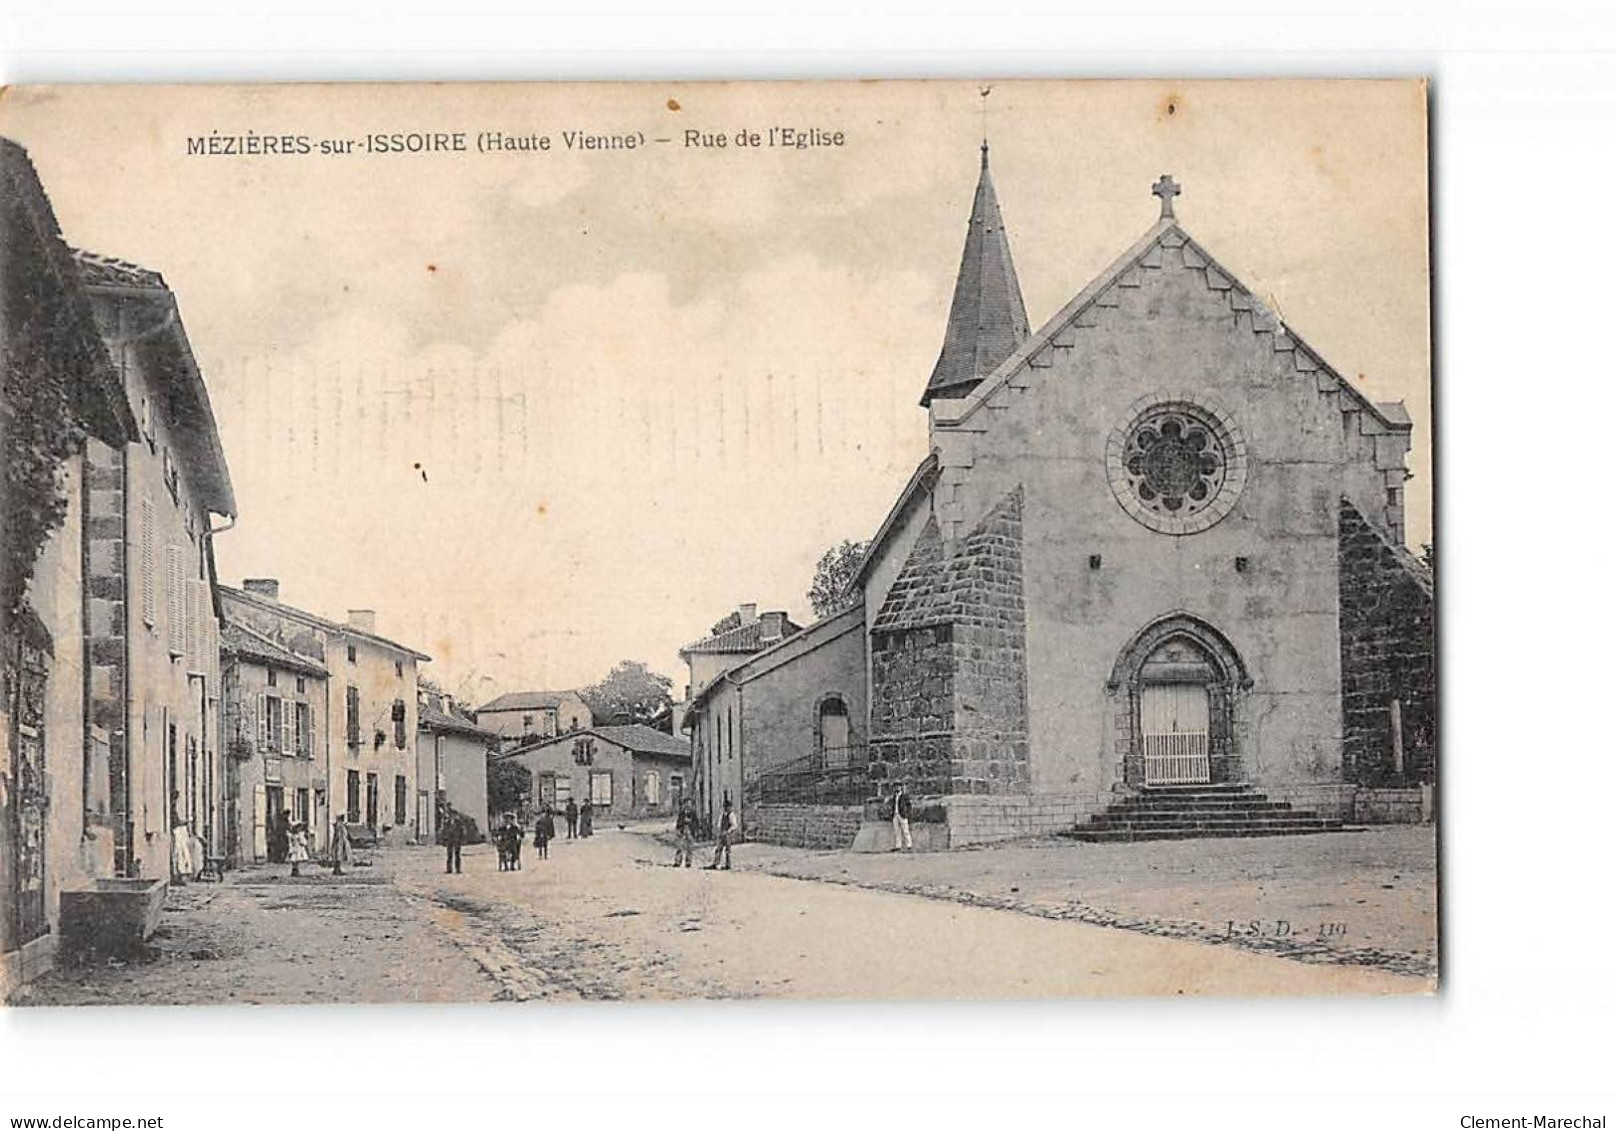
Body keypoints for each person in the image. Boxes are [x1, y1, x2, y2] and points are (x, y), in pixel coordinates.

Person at [705, 797, 737, 871]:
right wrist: (719, 831)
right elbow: (719, 824)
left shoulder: (731, 815)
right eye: (725, 807)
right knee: (718, 848)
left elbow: (734, 825)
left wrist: (728, 831)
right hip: (722, 834)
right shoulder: (722, 815)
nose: (727, 808)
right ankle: (716, 863)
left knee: (727, 850)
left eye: (728, 807)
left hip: (728, 834)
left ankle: (728, 865)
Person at [672, 797, 697, 867]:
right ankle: (678, 861)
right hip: (682, 830)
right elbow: (678, 822)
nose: (688, 805)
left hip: (690, 831)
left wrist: (691, 823)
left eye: (689, 804)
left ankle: (688, 862)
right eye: (687, 803)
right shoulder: (682, 813)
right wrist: (678, 829)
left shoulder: (693, 813)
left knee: (689, 847)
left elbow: (696, 823)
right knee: (679, 846)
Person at [890, 784, 913, 852]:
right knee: (896, 831)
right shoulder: (894, 796)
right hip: (895, 814)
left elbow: (909, 805)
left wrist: (907, 813)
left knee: (905, 830)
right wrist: (892, 813)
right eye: (896, 787)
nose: (897, 788)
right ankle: (898, 846)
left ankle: (909, 845)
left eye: (898, 786)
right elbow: (893, 805)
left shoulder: (905, 796)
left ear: (901, 787)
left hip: (902, 814)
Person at [443, 806, 465, 874]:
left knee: (457, 855)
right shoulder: (447, 823)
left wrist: (461, 839)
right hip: (450, 840)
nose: (452, 816)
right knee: (449, 855)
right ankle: (449, 869)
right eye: (451, 815)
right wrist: (445, 839)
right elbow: (445, 831)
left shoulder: (459, 823)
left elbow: (462, 831)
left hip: (457, 840)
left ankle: (458, 869)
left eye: (453, 815)